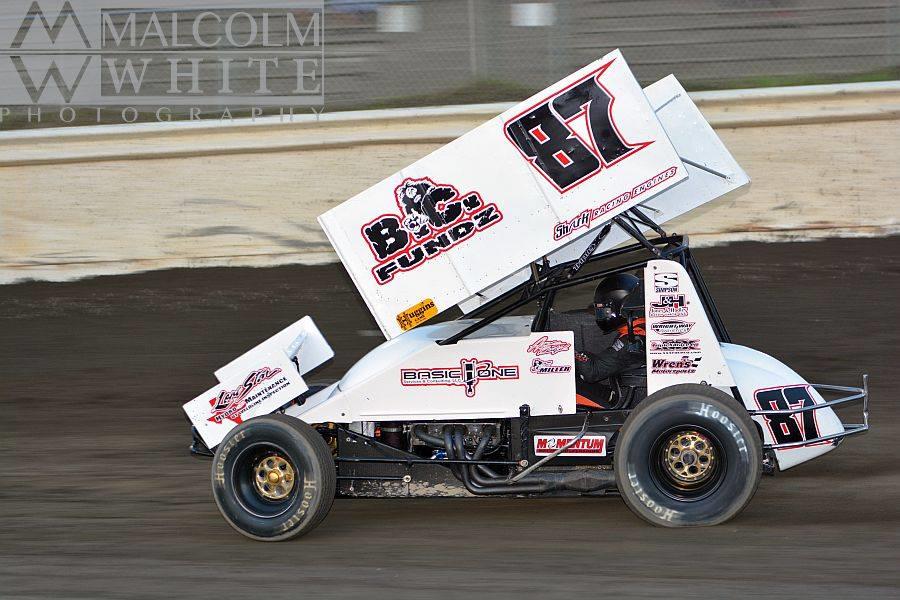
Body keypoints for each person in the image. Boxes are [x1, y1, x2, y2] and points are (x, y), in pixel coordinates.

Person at [574, 273, 645, 407]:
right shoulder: (639, 329)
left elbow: (591, 372)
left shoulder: (631, 340)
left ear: (621, 309)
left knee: (566, 387)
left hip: (623, 402)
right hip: (622, 394)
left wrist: (570, 353)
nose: (601, 317)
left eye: (603, 311)